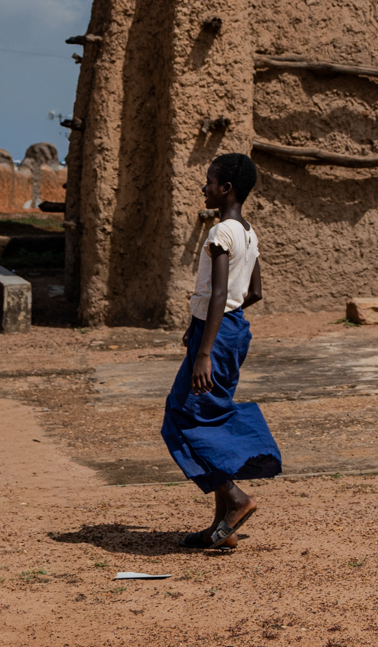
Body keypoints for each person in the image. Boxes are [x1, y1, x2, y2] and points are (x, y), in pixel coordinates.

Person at [161, 153, 282, 547]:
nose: (204, 188)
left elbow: (218, 294)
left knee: (180, 419)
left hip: (215, 336)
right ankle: (222, 528)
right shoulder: (249, 232)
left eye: (209, 182)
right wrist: (199, 327)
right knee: (207, 415)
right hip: (229, 332)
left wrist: (204, 350)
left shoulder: (220, 233)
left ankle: (235, 498)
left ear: (226, 189)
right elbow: (254, 293)